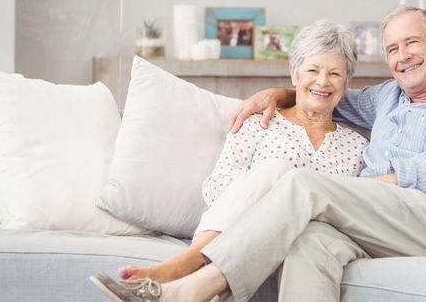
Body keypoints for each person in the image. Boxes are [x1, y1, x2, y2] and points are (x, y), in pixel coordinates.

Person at [91, 5, 426, 302]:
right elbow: (330, 94)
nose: (401, 57)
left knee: (304, 185)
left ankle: (193, 281)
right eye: (392, 49)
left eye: (411, 43)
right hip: (381, 224)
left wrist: (341, 192)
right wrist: (277, 92)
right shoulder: (389, 98)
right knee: (311, 241)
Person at [97, 19, 368, 286]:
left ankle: (185, 269)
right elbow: (216, 189)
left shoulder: (357, 147)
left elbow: (356, 215)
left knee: (290, 180)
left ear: (346, 83)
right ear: (294, 73)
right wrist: (270, 197)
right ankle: (191, 262)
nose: (323, 81)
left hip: (309, 245)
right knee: (278, 171)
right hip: (244, 233)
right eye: (312, 70)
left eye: (335, 74)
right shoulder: (259, 123)